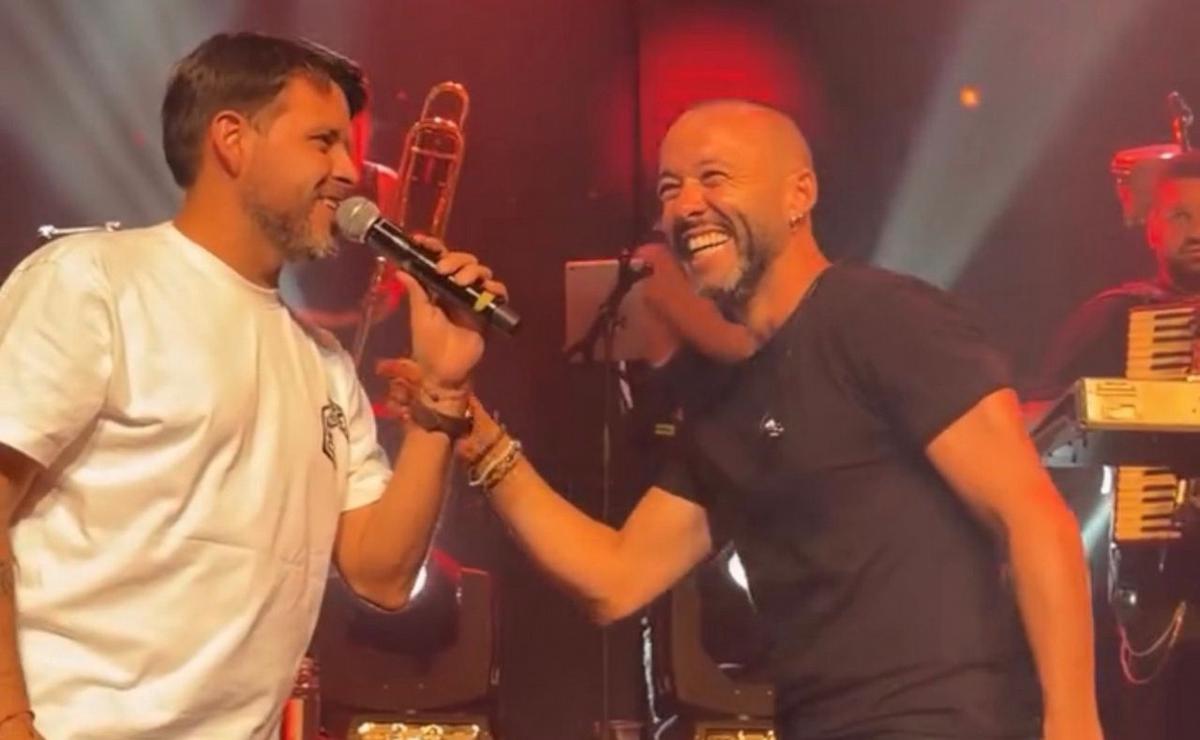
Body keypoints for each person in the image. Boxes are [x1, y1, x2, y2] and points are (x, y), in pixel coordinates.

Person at [429, 99, 1101, 739]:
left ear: (798, 194)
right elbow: (615, 578)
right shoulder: (725, 399)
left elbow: (1031, 516)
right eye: (669, 189)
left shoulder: (881, 319)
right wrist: (471, 426)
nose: (687, 205)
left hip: (950, 722)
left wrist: (1073, 724)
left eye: (714, 177)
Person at [0, 32, 502, 739]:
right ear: (233, 140)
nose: (349, 172)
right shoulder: (93, 282)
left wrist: (442, 397)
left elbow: (383, 575)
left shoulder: (323, 362)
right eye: (324, 142)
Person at [1030, 150, 1200, 740]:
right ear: (1150, 226)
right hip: (1161, 587)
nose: (1197, 231)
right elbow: (1036, 427)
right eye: (1180, 217)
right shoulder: (1121, 317)